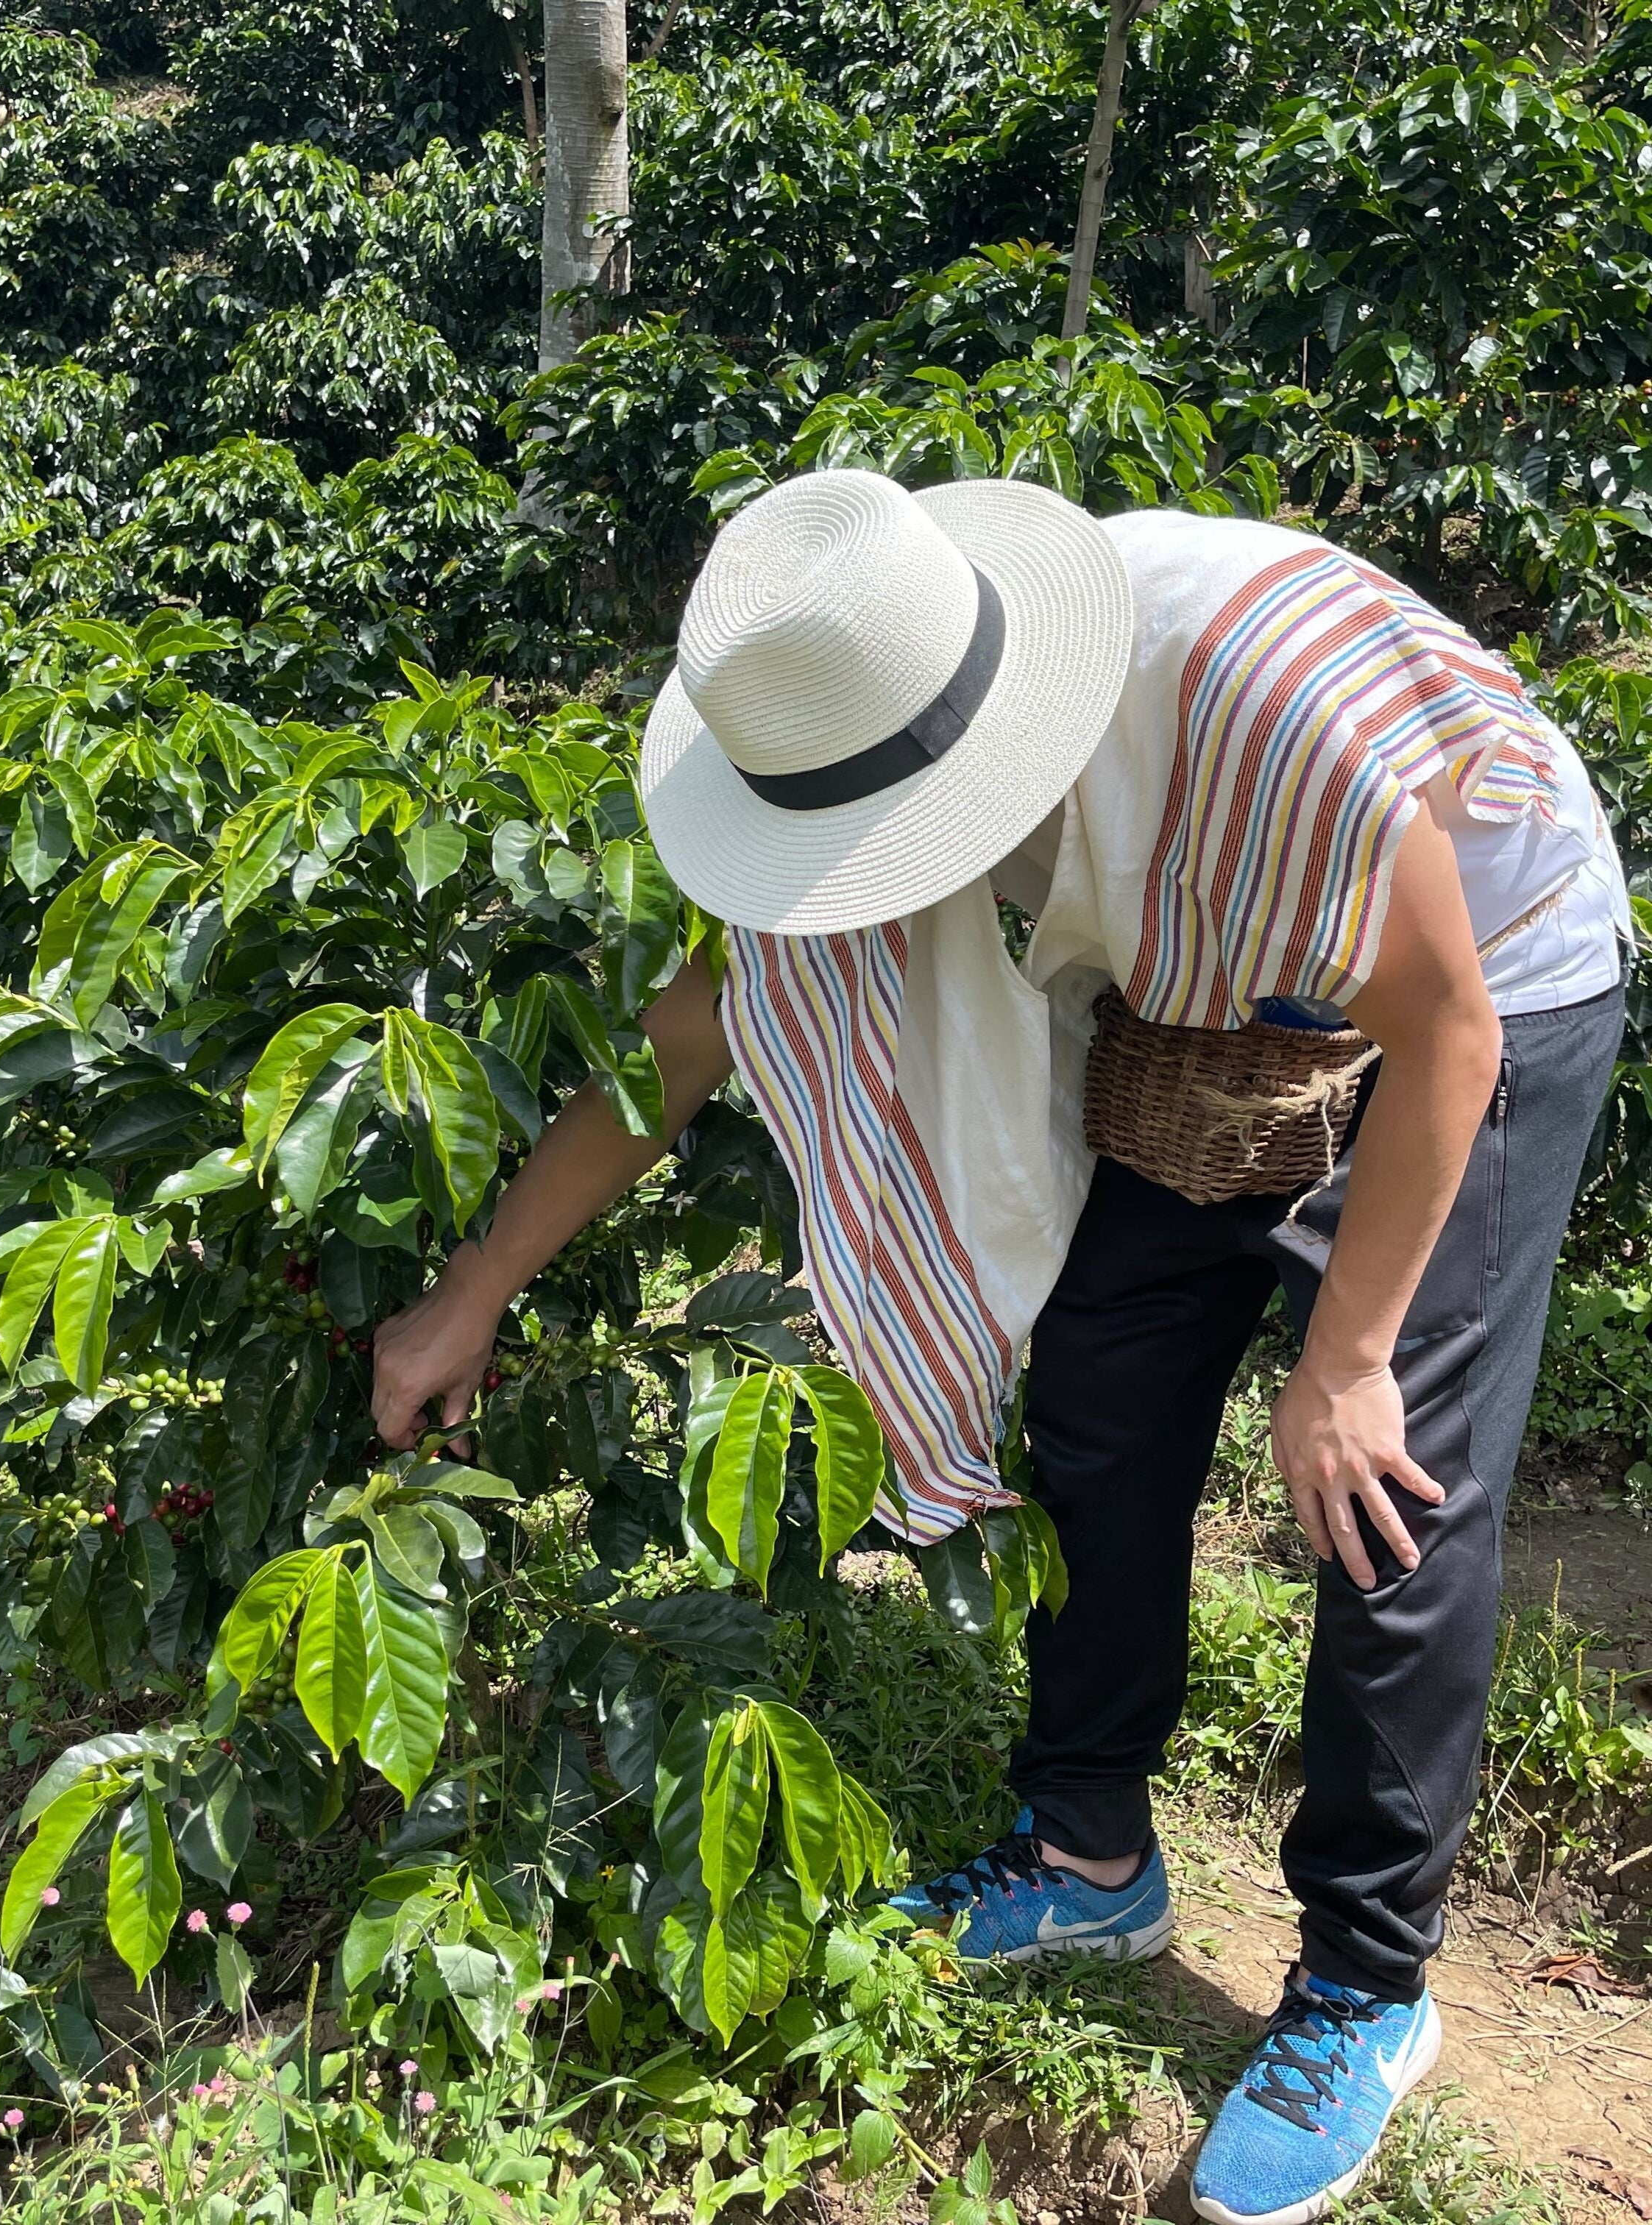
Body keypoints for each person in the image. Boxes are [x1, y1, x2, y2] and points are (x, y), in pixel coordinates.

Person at [366, 469, 1632, 2225]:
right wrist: (479, 1283)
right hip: (1215, 987)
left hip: (1485, 963)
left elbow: (1450, 1032)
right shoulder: (858, 724)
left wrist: (1340, 1362)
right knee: (1103, 1387)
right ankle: (1091, 1847)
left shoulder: (1253, 710)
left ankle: (1365, 1980)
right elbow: (693, 1031)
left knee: (1387, 1479)